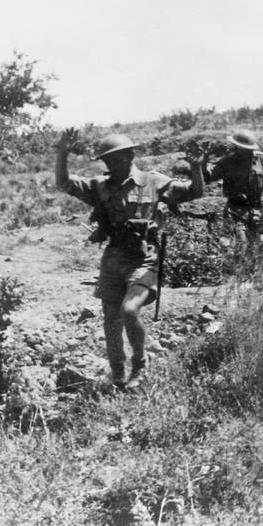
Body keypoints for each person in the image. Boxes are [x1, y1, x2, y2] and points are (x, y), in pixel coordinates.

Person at [55, 129, 205, 389]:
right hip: (113, 258)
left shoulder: (153, 181)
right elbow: (64, 183)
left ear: (131, 156)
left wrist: (196, 168)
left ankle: (139, 363)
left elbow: (194, 191)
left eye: (117, 159)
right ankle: (117, 374)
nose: (112, 165)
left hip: (144, 258)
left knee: (129, 310)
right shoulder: (100, 186)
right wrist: (62, 153)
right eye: (107, 161)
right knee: (110, 320)